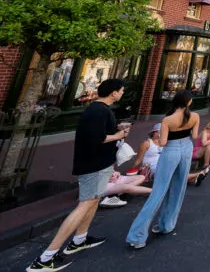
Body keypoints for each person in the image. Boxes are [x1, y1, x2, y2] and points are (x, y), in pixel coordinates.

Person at [28, 79, 129, 272]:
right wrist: (118, 136)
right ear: (114, 93)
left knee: (94, 200)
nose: (122, 93)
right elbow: (96, 138)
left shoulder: (100, 111)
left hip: (100, 163)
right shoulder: (98, 111)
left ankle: (80, 239)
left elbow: (100, 133)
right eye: (121, 91)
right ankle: (45, 257)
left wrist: (116, 130)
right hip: (93, 165)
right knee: (85, 203)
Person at [127, 90, 199, 249]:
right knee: (179, 187)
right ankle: (167, 224)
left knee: (158, 190)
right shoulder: (195, 117)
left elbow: (163, 142)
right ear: (188, 102)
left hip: (171, 151)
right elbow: (194, 136)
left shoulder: (167, 120)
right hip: (187, 148)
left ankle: (138, 236)